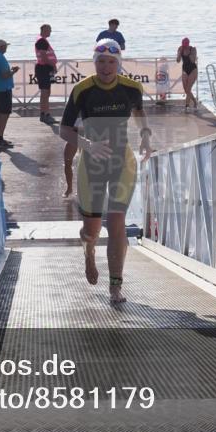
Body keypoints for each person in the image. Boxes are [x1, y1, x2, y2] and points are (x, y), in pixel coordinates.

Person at [59, 39, 152, 304]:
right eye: (101, 61)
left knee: (116, 221)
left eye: (112, 62)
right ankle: (89, 252)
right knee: (91, 229)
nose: (106, 67)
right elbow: (64, 130)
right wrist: (88, 145)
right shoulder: (82, 90)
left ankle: (115, 286)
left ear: (118, 63)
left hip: (122, 162)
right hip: (91, 164)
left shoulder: (132, 88)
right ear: (94, 63)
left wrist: (145, 135)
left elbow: (139, 112)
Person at [0, 39, 19, 148]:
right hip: (3, 89)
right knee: (4, 114)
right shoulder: (0, 58)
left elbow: (2, 73)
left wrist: (10, 71)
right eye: (5, 46)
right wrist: (14, 71)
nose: (6, 48)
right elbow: (5, 75)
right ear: (1, 47)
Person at [34, 24, 58, 124]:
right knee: (45, 92)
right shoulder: (42, 41)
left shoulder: (41, 40)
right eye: (49, 30)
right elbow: (44, 57)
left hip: (44, 68)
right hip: (43, 68)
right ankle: (45, 114)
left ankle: (44, 113)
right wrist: (53, 64)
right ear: (43, 30)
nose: (50, 32)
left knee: (46, 92)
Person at [176, 37, 198, 111]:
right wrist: (179, 53)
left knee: (188, 89)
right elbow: (178, 61)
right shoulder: (180, 48)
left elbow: (192, 61)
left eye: (186, 45)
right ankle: (195, 101)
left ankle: (187, 106)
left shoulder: (193, 49)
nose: (185, 47)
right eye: (183, 45)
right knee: (186, 90)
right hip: (185, 70)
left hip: (193, 70)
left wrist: (189, 53)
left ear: (188, 44)